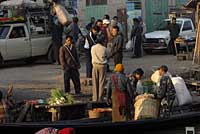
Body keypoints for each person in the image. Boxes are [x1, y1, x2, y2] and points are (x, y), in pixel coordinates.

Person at [91, 37, 109, 102]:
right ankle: (100, 97)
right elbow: (108, 55)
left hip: (95, 65)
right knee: (101, 82)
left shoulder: (93, 48)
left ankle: (95, 98)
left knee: (95, 82)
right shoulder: (104, 48)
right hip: (102, 65)